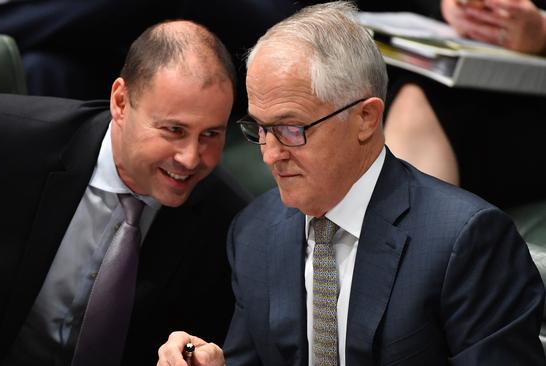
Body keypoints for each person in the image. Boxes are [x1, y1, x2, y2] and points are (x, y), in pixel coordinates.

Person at [157, 2, 546, 365]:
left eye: (292, 129)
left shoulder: (467, 241)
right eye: (259, 129)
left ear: (365, 119)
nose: (269, 153)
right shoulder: (254, 231)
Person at [0, 20, 251, 366]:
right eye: (174, 130)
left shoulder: (230, 220)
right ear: (121, 101)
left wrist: (197, 353)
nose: (191, 158)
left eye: (210, 135)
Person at [383, 0, 546, 208]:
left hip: (528, 105)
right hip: (435, 71)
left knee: (414, 108)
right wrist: (448, 7)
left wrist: (541, 33)